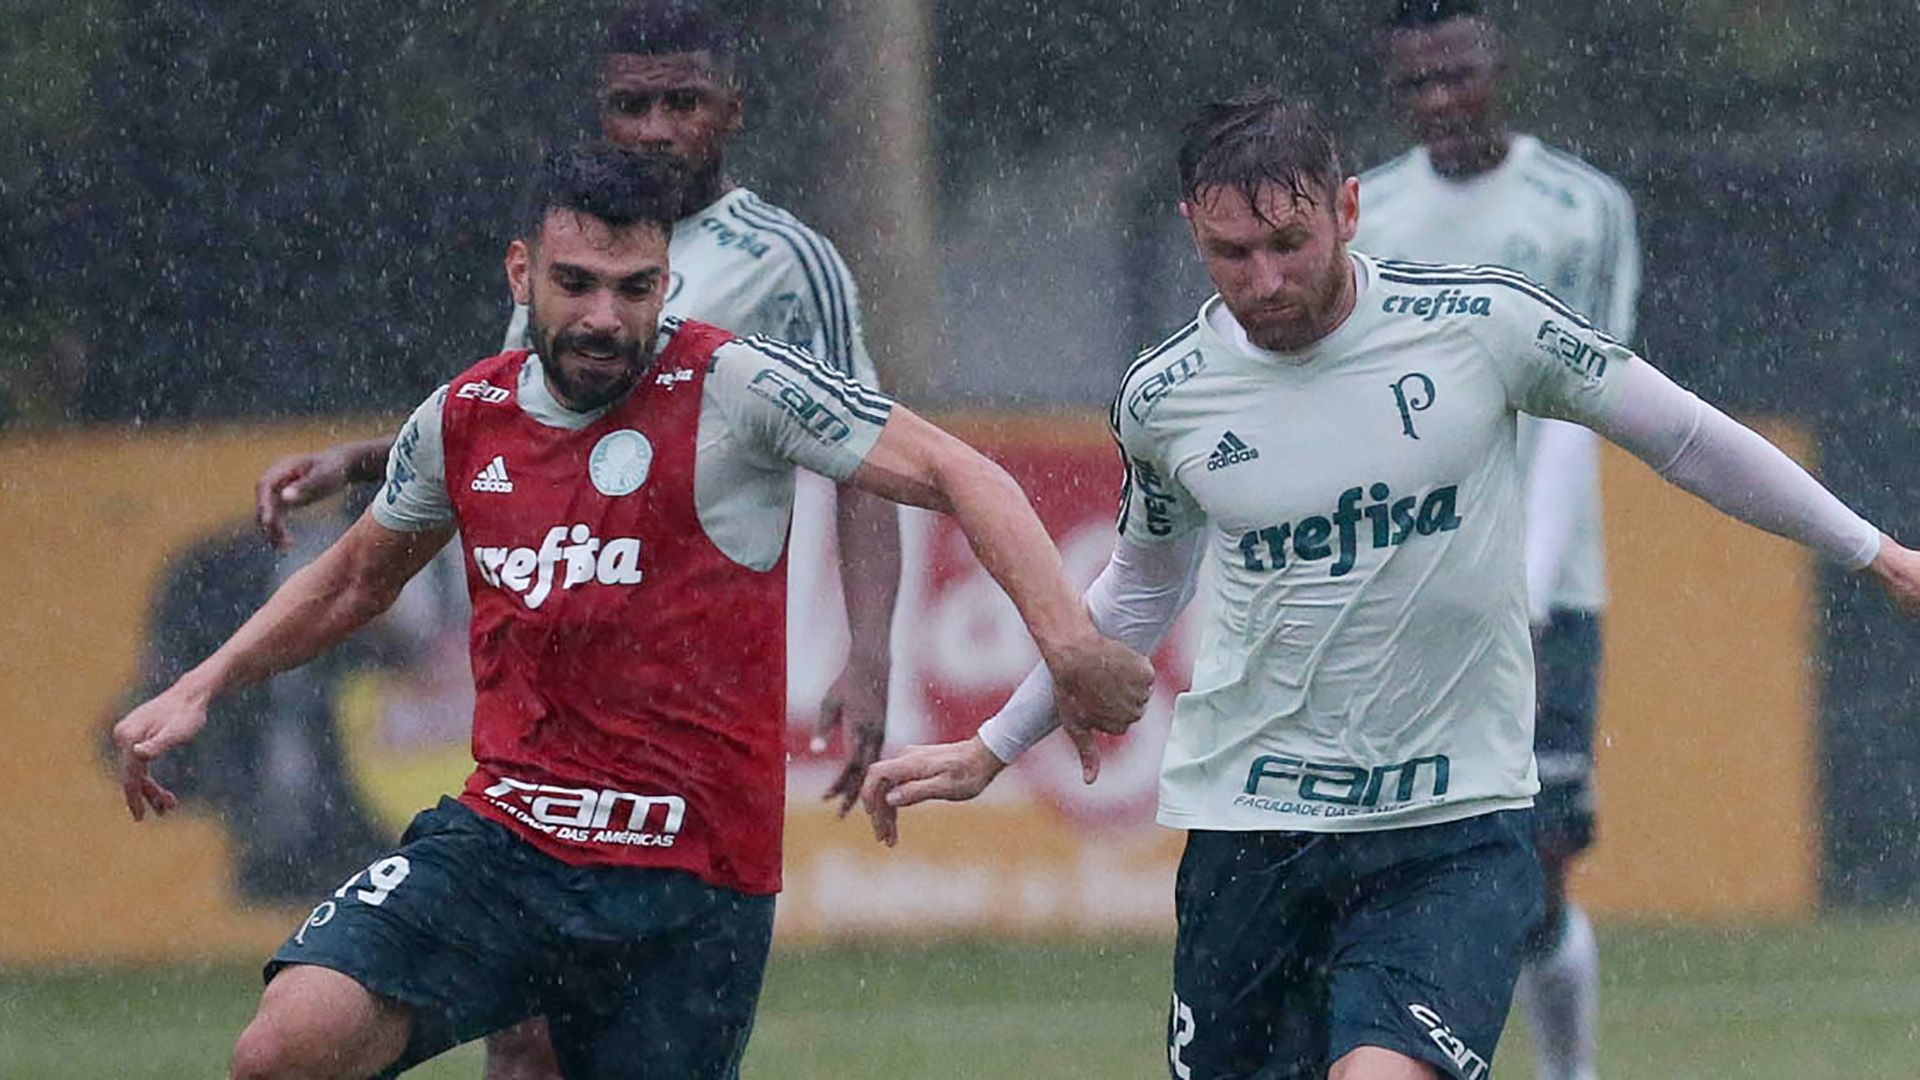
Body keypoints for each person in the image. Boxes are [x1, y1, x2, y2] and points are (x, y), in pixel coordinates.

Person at [859, 96, 1920, 1080]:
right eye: (1230, 252)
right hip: (1253, 829)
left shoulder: (1482, 324)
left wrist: (1874, 550)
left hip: (1451, 825)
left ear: (1349, 208)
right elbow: (1138, 592)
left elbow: (1685, 436)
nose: (1264, 280)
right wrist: (992, 746)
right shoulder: (1164, 397)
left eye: (1290, 243)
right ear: (1193, 228)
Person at [113, 143, 1155, 1080]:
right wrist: (202, 685)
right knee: (285, 1048)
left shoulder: (737, 385)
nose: (606, 317)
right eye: (576, 285)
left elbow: (957, 472)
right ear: (524, 277)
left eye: (634, 287)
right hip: (507, 844)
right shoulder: (466, 414)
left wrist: (1069, 642)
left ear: (668, 282)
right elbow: (352, 580)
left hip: (690, 883)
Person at [252, 9, 903, 1072]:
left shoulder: (790, 261)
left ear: (730, 108)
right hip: (548, 696)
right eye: (631, 104)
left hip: (680, 729)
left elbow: (871, 466)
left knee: (585, 1034)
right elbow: (513, 413)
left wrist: (870, 658)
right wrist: (365, 460)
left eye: (681, 101)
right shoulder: (572, 243)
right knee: (524, 1036)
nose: (655, 128)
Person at [1353, 3, 1638, 1076]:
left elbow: (1584, 404)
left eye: (1455, 76)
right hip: (1409, 590)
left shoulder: (1581, 209)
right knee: (1415, 866)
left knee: (1535, 865)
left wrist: (1519, 579)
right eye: (1415, 85)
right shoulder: (1366, 213)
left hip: (1544, 589)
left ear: (1494, 71)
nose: (1439, 102)